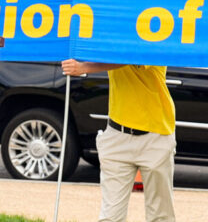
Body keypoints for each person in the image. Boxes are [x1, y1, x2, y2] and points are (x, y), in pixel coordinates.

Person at [61, 59, 176, 222]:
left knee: (161, 216)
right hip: (117, 135)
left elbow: (128, 58)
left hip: (156, 136)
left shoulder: (154, 38)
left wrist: (83, 67)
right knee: (110, 217)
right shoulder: (116, 37)